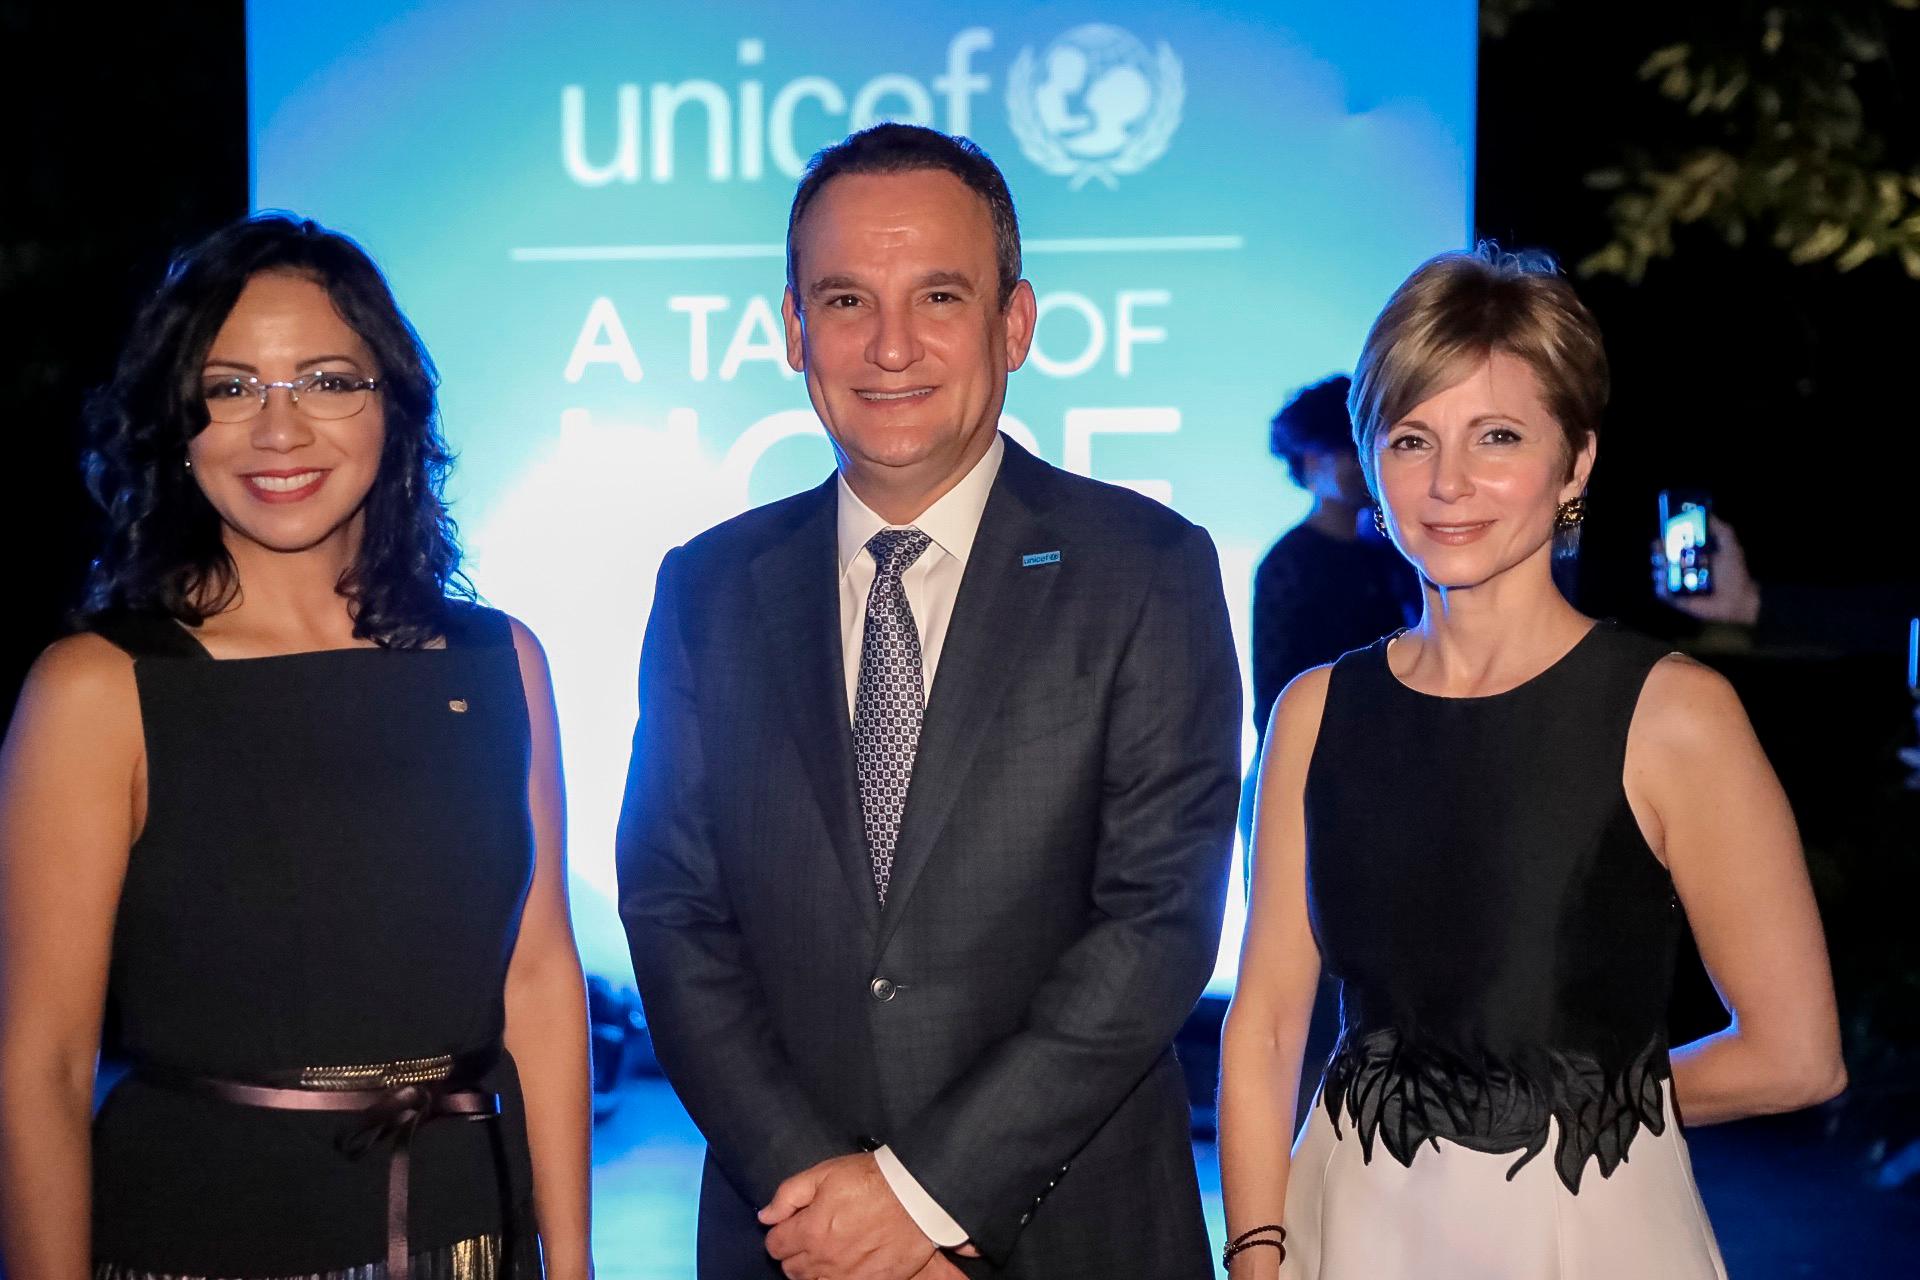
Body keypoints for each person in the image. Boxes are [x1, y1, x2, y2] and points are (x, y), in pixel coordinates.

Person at [617, 123, 1240, 1280]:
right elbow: (672, 910)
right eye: (846, 300)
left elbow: (1157, 919)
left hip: (1071, 1233)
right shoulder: (708, 585)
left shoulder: (1145, 567)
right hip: (792, 1234)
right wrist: (826, 1200)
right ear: (794, 329)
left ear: (1016, 322)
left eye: (939, 296)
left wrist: (920, 1198)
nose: (890, 345)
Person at [1218, 246, 1846, 1279]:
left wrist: (1572, 1099)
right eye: (1411, 439)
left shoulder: (1673, 715)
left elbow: (1797, 1056)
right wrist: (1256, 1251)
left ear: (1576, 462)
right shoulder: (1315, 713)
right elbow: (1268, 1024)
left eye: (1497, 436)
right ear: (1370, 460)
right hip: (1349, 1221)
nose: (1448, 482)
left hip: (1583, 1224)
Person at [0, 215, 591, 1280]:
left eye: (326, 381)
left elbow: (542, 976)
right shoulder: (97, 688)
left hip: (468, 1228)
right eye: (231, 388)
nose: (279, 429)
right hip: (198, 1238)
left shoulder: (502, 658)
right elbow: (42, 1062)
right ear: (177, 424)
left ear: (392, 406)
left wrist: (573, 1259)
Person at [1250, 375, 1418, 747]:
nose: (1362, 465)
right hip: (1318, 752)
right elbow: (1273, 691)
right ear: (1310, 461)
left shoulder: (1389, 551)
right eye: (1347, 451)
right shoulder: (1289, 561)